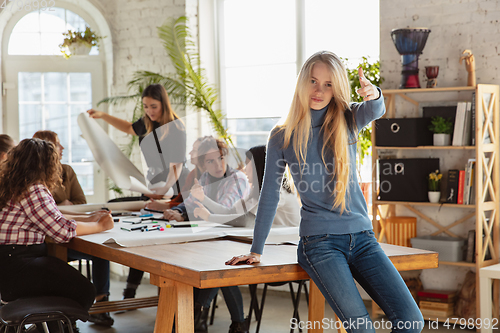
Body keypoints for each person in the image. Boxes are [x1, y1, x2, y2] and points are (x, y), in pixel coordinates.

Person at [227, 51, 424, 333]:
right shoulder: (281, 135)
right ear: (302, 83)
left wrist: (374, 92)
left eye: (328, 84)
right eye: (313, 81)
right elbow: (269, 194)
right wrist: (256, 249)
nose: (319, 90)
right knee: (362, 329)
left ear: (337, 88)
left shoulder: (348, 118)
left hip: (363, 238)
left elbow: (377, 109)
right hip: (319, 244)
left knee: (411, 322)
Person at [0, 138, 114, 332]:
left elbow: (52, 215)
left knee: (60, 282)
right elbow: (61, 232)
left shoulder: (12, 185)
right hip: (19, 267)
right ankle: (55, 326)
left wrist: (87, 218)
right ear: (47, 164)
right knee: (86, 292)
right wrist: (99, 225)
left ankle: (52, 325)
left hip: (8, 266)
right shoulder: (34, 188)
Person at [164, 137, 250, 333]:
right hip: (214, 239)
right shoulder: (205, 179)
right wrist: (180, 212)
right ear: (202, 164)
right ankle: (233, 323)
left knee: (219, 266)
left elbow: (224, 213)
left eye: (220, 158)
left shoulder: (237, 179)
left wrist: (200, 205)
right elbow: (192, 202)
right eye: (210, 161)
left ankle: (196, 314)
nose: (218, 164)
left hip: (237, 239)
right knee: (198, 263)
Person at [32, 130, 114, 327]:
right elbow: (58, 226)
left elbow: (78, 203)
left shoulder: (65, 172)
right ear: (46, 152)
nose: (63, 148)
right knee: (78, 284)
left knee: (101, 250)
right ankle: (64, 317)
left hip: (49, 241)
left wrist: (83, 216)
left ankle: (98, 306)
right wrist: (95, 223)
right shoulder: (36, 186)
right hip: (45, 246)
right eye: (57, 145)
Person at [122, 136, 210, 300]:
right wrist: (161, 205)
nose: (190, 152)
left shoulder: (192, 174)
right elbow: (180, 201)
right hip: (181, 220)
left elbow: (190, 204)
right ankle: (134, 292)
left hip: (194, 227)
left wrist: (173, 209)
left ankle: (186, 307)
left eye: (195, 149)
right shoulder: (193, 174)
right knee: (143, 241)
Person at [87, 83, 187, 198]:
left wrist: (166, 188)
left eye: (154, 107)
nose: (150, 111)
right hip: (154, 180)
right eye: (146, 106)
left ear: (164, 105)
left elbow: (176, 165)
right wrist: (103, 116)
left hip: (175, 183)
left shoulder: (176, 128)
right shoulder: (146, 123)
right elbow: (129, 128)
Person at [192, 145, 300, 228]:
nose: (243, 169)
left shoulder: (277, 191)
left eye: (247, 164)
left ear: (259, 166)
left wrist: (209, 217)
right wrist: (203, 198)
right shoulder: (257, 192)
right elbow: (231, 212)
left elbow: (247, 220)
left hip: (290, 245)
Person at [32, 130, 86, 205]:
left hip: (69, 216)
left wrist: (67, 205)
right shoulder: (32, 175)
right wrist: (59, 207)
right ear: (45, 147)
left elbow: (81, 202)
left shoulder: (66, 170)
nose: (62, 147)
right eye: (57, 144)